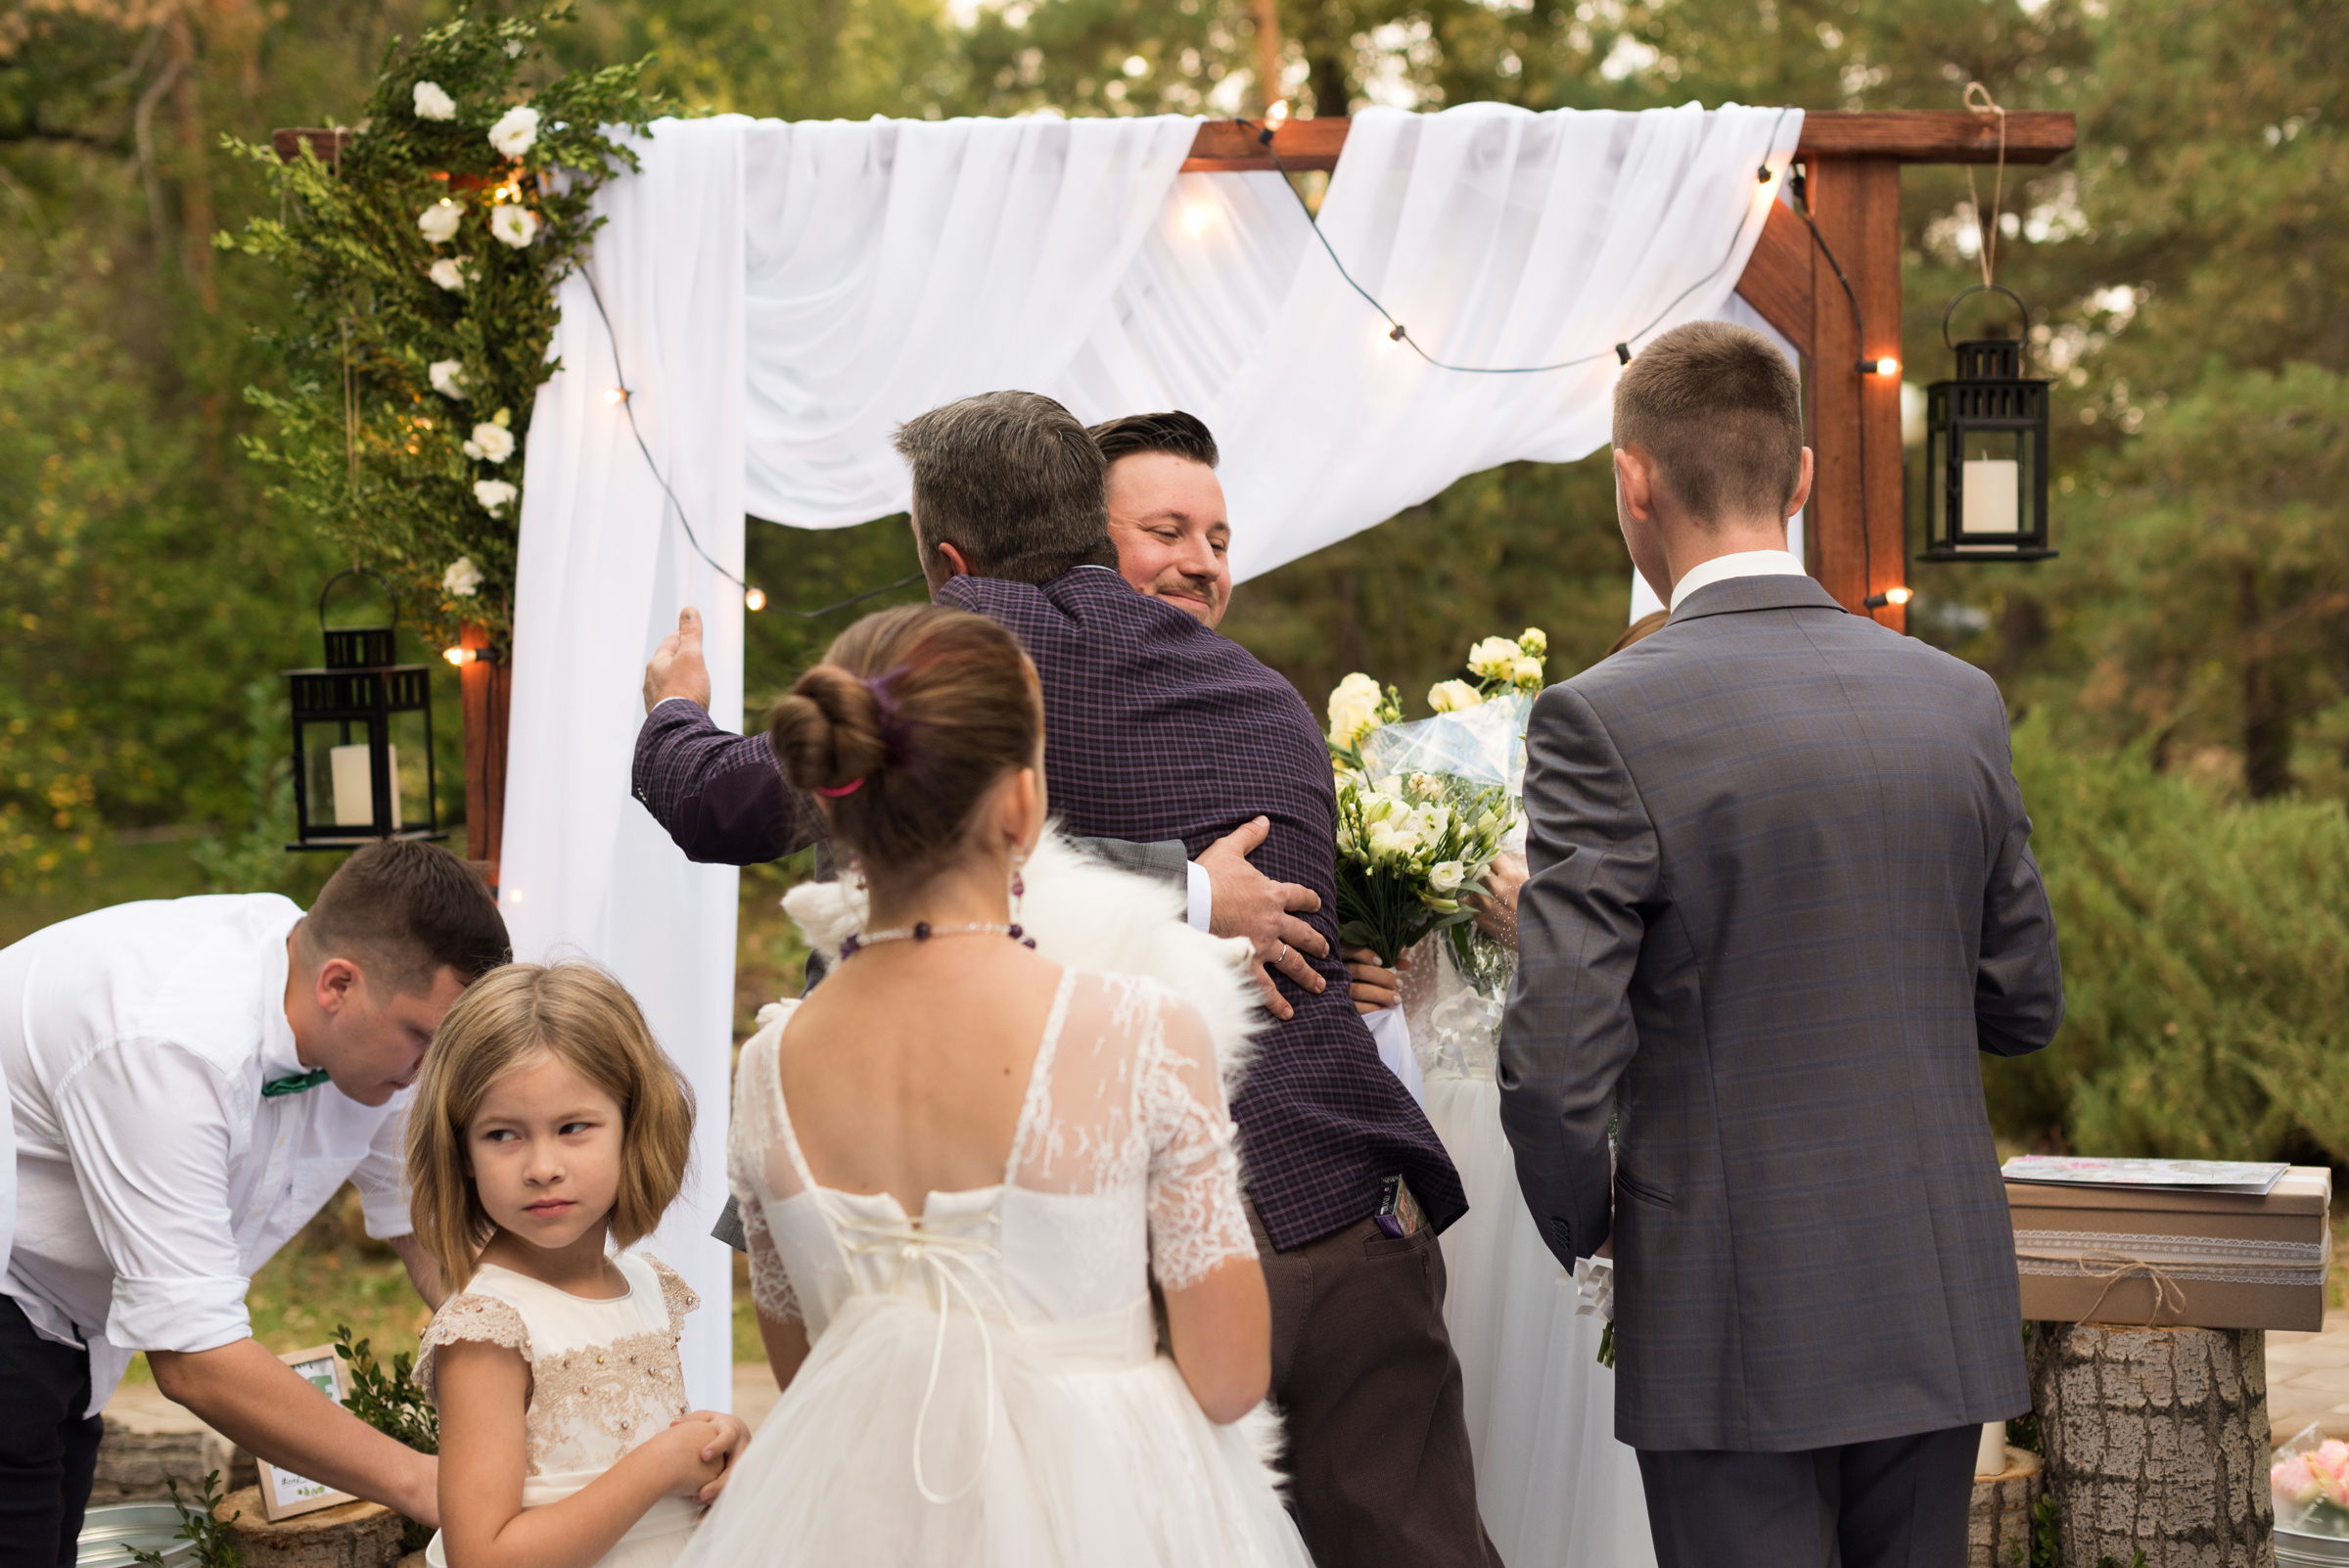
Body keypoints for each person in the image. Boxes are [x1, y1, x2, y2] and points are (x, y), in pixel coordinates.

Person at [1499, 320, 2064, 1568]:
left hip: (1731, 1292)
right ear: (1802, 477)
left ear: (1631, 480)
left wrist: (1593, 1221)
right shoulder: (1956, 698)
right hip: (1933, 1280)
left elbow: (1554, 1068)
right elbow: (2025, 1001)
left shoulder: (1602, 717)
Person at [683, 603, 1310, 1566]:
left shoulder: (768, 1069)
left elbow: (811, 1370)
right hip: (1114, 1523)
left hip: (855, 1523)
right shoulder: (1140, 1030)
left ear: (838, 800)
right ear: (1020, 807)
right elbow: (1228, 1376)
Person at [0, 841, 510, 1567]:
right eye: (424, 1038)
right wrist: (431, 1486)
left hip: (75, 1336)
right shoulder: (171, 1045)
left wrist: (541, 1366)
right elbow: (193, 1359)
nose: (434, 1070)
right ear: (338, 984)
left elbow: (433, 1236)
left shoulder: (382, 1035)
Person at [408, 963, 751, 1568]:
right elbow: (483, 1557)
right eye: (502, 1135)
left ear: (633, 1127)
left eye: (573, 1128)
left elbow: (620, 1462)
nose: (542, 1167)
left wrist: (708, 1447)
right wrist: (657, 1467)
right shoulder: (489, 1328)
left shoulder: (641, 1284)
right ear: (460, 1150)